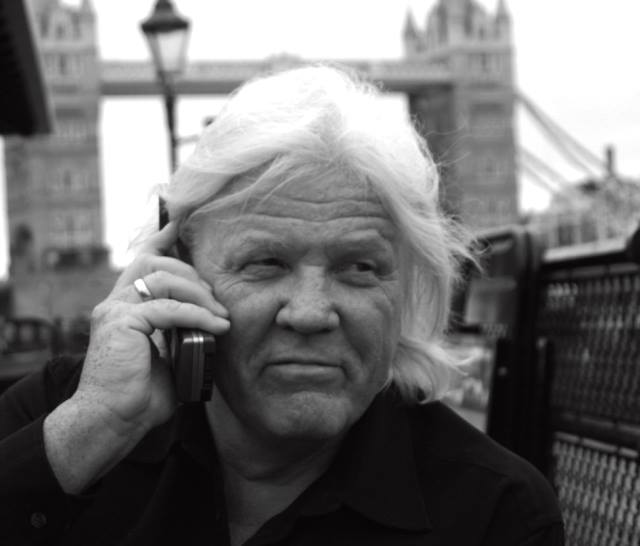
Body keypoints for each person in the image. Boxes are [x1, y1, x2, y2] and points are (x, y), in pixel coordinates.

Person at [0, 65, 564, 545]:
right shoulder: (59, 416)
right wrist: (90, 433)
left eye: (359, 268)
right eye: (266, 263)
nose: (311, 313)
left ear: (408, 285)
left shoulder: (495, 515)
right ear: (177, 263)